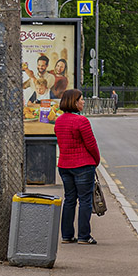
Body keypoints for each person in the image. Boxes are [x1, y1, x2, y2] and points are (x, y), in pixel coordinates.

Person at [55, 89, 101, 244]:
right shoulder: (82, 121)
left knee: (69, 199)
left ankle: (67, 235)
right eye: (81, 99)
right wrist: (96, 160)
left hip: (64, 165)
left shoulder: (59, 121)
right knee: (85, 200)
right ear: (74, 102)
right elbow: (91, 144)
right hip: (83, 165)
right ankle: (84, 236)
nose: (83, 102)